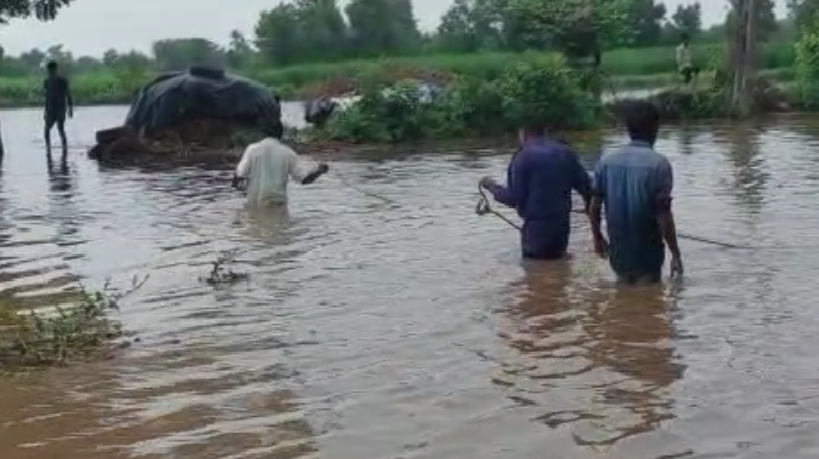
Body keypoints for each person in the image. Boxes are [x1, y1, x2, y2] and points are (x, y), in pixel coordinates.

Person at [589, 100, 683, 285]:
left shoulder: (606, 162)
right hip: (648, 254)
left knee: (623, 299)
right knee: (649, 304)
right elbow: (664, 216)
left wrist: (598, 238)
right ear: (656, 128)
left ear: (628, 129)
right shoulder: (659, 164)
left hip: (618, 253)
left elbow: (594, 207)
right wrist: (675, 254)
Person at [479, 122, 593, 260]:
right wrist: (589, 209)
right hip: (562, 231)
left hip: (535, 233)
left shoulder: (523, 156)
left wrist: (491, 186)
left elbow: (514, 198)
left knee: (535, 273)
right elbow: (587, 188)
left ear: (522, 133)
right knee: (558, 268)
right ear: (545, 131)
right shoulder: (565, 152)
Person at [232, 123, 329, 207]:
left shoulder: (252, 150)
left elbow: (240, 174)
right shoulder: (288, 153)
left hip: (255, 204)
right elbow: (304, 179)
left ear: (262, 134)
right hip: (277, 205)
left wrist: (241, 189)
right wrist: (319, 171)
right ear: (280, 135)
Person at [43, 60, 73, 157]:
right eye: (50, 70)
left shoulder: (62, 81)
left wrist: (70, 108)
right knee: (47, 130)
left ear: (56, 69)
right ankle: (48, 148)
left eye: (53, 70)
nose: (51, 72)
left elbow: (68, 94)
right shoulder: (46, 82)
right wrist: (45, 111)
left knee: (60, 129)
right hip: (51, 109)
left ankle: (65, 149)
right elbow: (47, 97)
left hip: (60, 108)